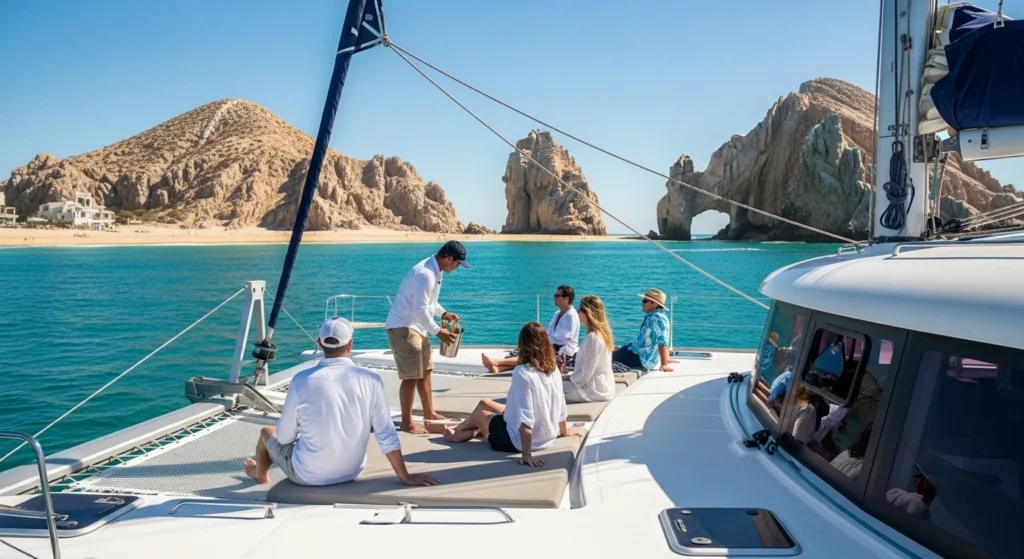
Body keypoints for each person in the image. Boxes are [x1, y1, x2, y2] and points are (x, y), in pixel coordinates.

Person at [243, 317, 438, 487]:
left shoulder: (301, 380)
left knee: (267, 433)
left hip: (308, 476)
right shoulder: (371, 378)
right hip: (352, 472)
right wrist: (404, 477)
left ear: (320, 343)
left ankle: (260, 474)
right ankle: (261, 473)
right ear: (350, 344)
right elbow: (385, 433)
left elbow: (285, 438)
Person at [432, 323, 580, 467]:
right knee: (484, 403)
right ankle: (467, 431)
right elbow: (560, 406)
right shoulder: (553, 369)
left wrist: (526, 454)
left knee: (479, 413)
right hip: (548, 436)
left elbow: (526, 417)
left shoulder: (523, 372)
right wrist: (564, 432)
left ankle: (457, 432)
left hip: (515, 441)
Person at [385, 241, 469, 434]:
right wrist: (438, 331)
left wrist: (443, 313)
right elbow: (419, 309)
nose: (457, 268)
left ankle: (429, 413)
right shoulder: (426, 274)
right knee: (411, 376)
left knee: (426, 371)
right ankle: (407, 423)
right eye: (458, 263)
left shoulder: (435, 271)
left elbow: (429, 303)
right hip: (404, 327)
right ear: (449, 259)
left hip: (417, 327)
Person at [482, 285, 580, 373]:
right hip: (552, 346)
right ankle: (498, 369)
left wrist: (544, 345)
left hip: (563, 351)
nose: (554, 297)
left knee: (532, 356)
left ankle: (498, 362)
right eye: (555, 295)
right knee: (530, 353)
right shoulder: (557, 314)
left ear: (566, 298)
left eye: (557, 296)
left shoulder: (571, 316)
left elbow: (565, 338)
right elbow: (549, 333)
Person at [564, 295, 616, 403]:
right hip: (600, 387)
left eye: (581, 309)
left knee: (546, 386)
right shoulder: (602, 334)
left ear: (588, 312)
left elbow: (585, 374)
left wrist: (568, 378)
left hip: (592, 391)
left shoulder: (593, 338)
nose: (578, 312)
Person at [612, 288, 676, 372]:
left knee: (608, 355)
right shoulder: (654, 316)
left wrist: (664, 364)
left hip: (642, 358)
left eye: (645, 301)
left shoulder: (657, 318)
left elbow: (662, 340)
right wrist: (667, 357)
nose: (642, 303)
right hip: (637, 351)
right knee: (616, 349)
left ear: (655, 304)